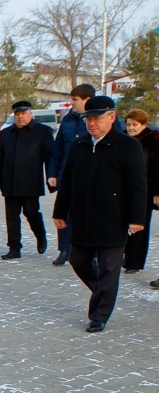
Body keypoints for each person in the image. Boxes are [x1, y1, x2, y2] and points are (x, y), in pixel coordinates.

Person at [52, 96, 147, 332]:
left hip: (114, 218)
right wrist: (60, 211)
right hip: (83, 218)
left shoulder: (128, 146)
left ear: (112, 117)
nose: (92, 123)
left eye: (97, 118)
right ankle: (105, 291)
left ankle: (99, 315)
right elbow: (67, 181)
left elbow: (137, 185)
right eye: (88, 119)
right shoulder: (78, 145)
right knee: (78, 260)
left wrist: (137, 218)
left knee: (108, 268)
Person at [0, 100, 54, 260]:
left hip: (30, 182)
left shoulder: (43, 131)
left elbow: (50, 157)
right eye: (17, 114)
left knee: (31, 213)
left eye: (23, 114)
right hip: (9, 182)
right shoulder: (6, 133)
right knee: (11, 216)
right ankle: (14, 248)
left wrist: (51, 178)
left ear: (30, 114)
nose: (20, 117)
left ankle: (41, 236)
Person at [47, 84, 94, 266]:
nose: (71, 103)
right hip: (67, 175)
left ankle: (92, 251)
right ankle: (64, 250)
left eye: (75, 99)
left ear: (87, 100)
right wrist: (52, 173)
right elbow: (58, 148)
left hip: (90, 178)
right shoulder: (68, 120)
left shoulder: (99, 120)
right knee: (63, 213)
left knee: (88, 215)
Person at [122, 108, 159, 274]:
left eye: (134, 125)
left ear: (143, 124)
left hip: (145, 189)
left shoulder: (154, 140)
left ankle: (134, 262)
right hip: (122, 189)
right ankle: (123, 254)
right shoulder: (121, 138)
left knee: (140, 226)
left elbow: (158, 167)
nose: (130, 128)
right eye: (128, 124)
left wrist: (158, 192)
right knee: (121, 222)